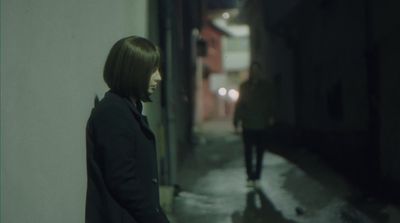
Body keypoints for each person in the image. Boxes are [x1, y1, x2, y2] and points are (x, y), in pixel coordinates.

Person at [85, 36, 169, 223]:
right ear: (133, 71)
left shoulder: (127, 108)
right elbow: (122, 180)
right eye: (152, 70)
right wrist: (156, 218)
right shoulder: (113, 112)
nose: (159, 77)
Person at [233, 62, 275, 188]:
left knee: (260, 152)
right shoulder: (244, 86)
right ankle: (250, 176)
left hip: (261, 124)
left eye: (257, 70)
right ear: (250, 72)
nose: (254, 72)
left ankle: (257, 176)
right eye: (252, 70)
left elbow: (270, 102)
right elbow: (239, 104)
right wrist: (236, 120)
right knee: (248, 152)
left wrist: (271, 116)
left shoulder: (266, 87)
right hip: (248, 124)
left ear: (260, 72)